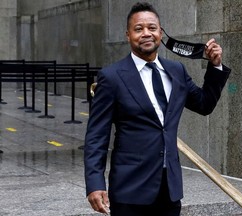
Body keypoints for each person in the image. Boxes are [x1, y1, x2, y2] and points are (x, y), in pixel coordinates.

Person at [84, 2, 231, 216]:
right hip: (129, 190)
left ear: (160, 33)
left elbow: (204, 104)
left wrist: (215, 66)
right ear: (128, 35)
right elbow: (97, 136)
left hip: (169, 190)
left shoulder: (176, 71)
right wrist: (95, 183)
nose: (146, 33)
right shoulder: (112, 77)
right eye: (138, 29)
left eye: (152, 28)